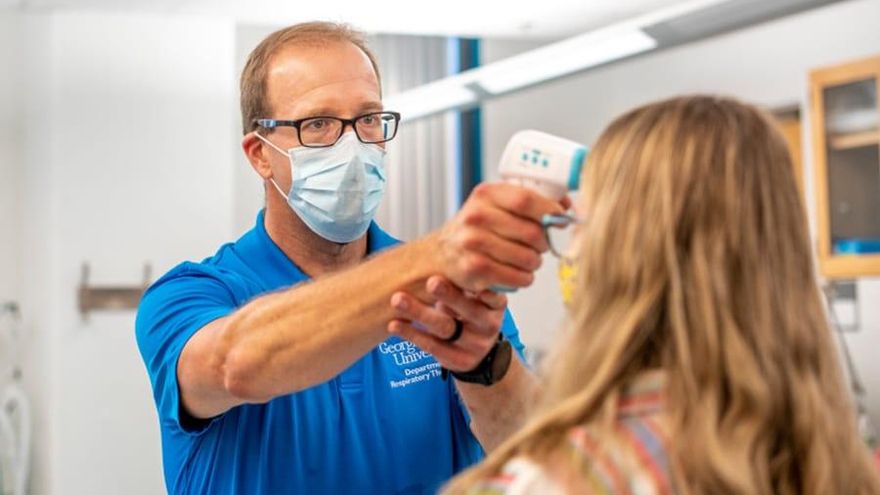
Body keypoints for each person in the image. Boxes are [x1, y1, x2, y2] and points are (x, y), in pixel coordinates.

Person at [135, 22, 566, 494]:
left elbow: (531, 455)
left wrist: (484, 365)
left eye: (368, 120)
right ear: (260, 154)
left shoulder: (446, 288)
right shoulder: (191, 295)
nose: (354, 145)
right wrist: (433, 259)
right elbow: (235, 365)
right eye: (317, 124)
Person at [445, 96, 880, 494]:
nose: (569, 246)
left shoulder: (559, 480)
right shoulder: (830, 460)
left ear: (624, 256)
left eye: (579, 224)